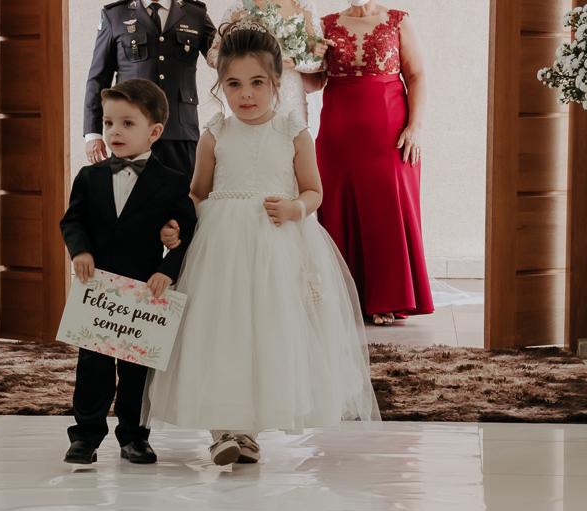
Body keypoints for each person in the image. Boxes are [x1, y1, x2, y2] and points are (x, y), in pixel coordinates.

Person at [143, 21, 380, 466]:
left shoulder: (292, 130)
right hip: (222, 246)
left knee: (269, 332)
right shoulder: (216, 132)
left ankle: (249, 429)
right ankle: (224, 428)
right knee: (222, 330)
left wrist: (295, 208)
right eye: (233, 84)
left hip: (278, 243)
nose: (245, 94)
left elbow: (314, 191)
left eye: (257, 83)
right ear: (220, 87)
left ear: (276, 84)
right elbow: (198, 192)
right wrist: (178, 224)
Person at [60, 79, 198, 466]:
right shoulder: (89, 177)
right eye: (108, 123)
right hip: (98, 289)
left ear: (154, 132)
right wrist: (80, 251)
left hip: (143, 291)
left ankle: (135, 436)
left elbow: (187, 232)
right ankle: (85, 435)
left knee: (138, 371)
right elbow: (73, 221)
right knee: (93, 367)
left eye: (127, 123)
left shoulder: (171, 182)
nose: (114, 132)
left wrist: (168, 270)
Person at [305, 0, 434, 326]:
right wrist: (300, 59)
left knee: (386, 212)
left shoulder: (398, 20)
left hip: (390, 133)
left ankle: (387, 299)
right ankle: (345, 298)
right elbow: (314, 82)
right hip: (338, 134)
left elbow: (416, 74)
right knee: (338, 208)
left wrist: (415, 126)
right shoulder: (325, 23)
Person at [84, 0, 217, 180]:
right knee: (132, 203)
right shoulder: (115, 14)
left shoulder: (195, 12)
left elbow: (225, 56)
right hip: (130, 132)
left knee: (181, 201)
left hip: (180, 131)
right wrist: (93, 133)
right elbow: (98, 79)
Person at [208, 0, 328, 125]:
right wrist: (242, 64)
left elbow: (321, 61)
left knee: (292, 138)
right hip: (249, 93)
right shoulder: (238, 7)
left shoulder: (303, 7)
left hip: (290, 96)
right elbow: (213, 55)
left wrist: (294, 63)